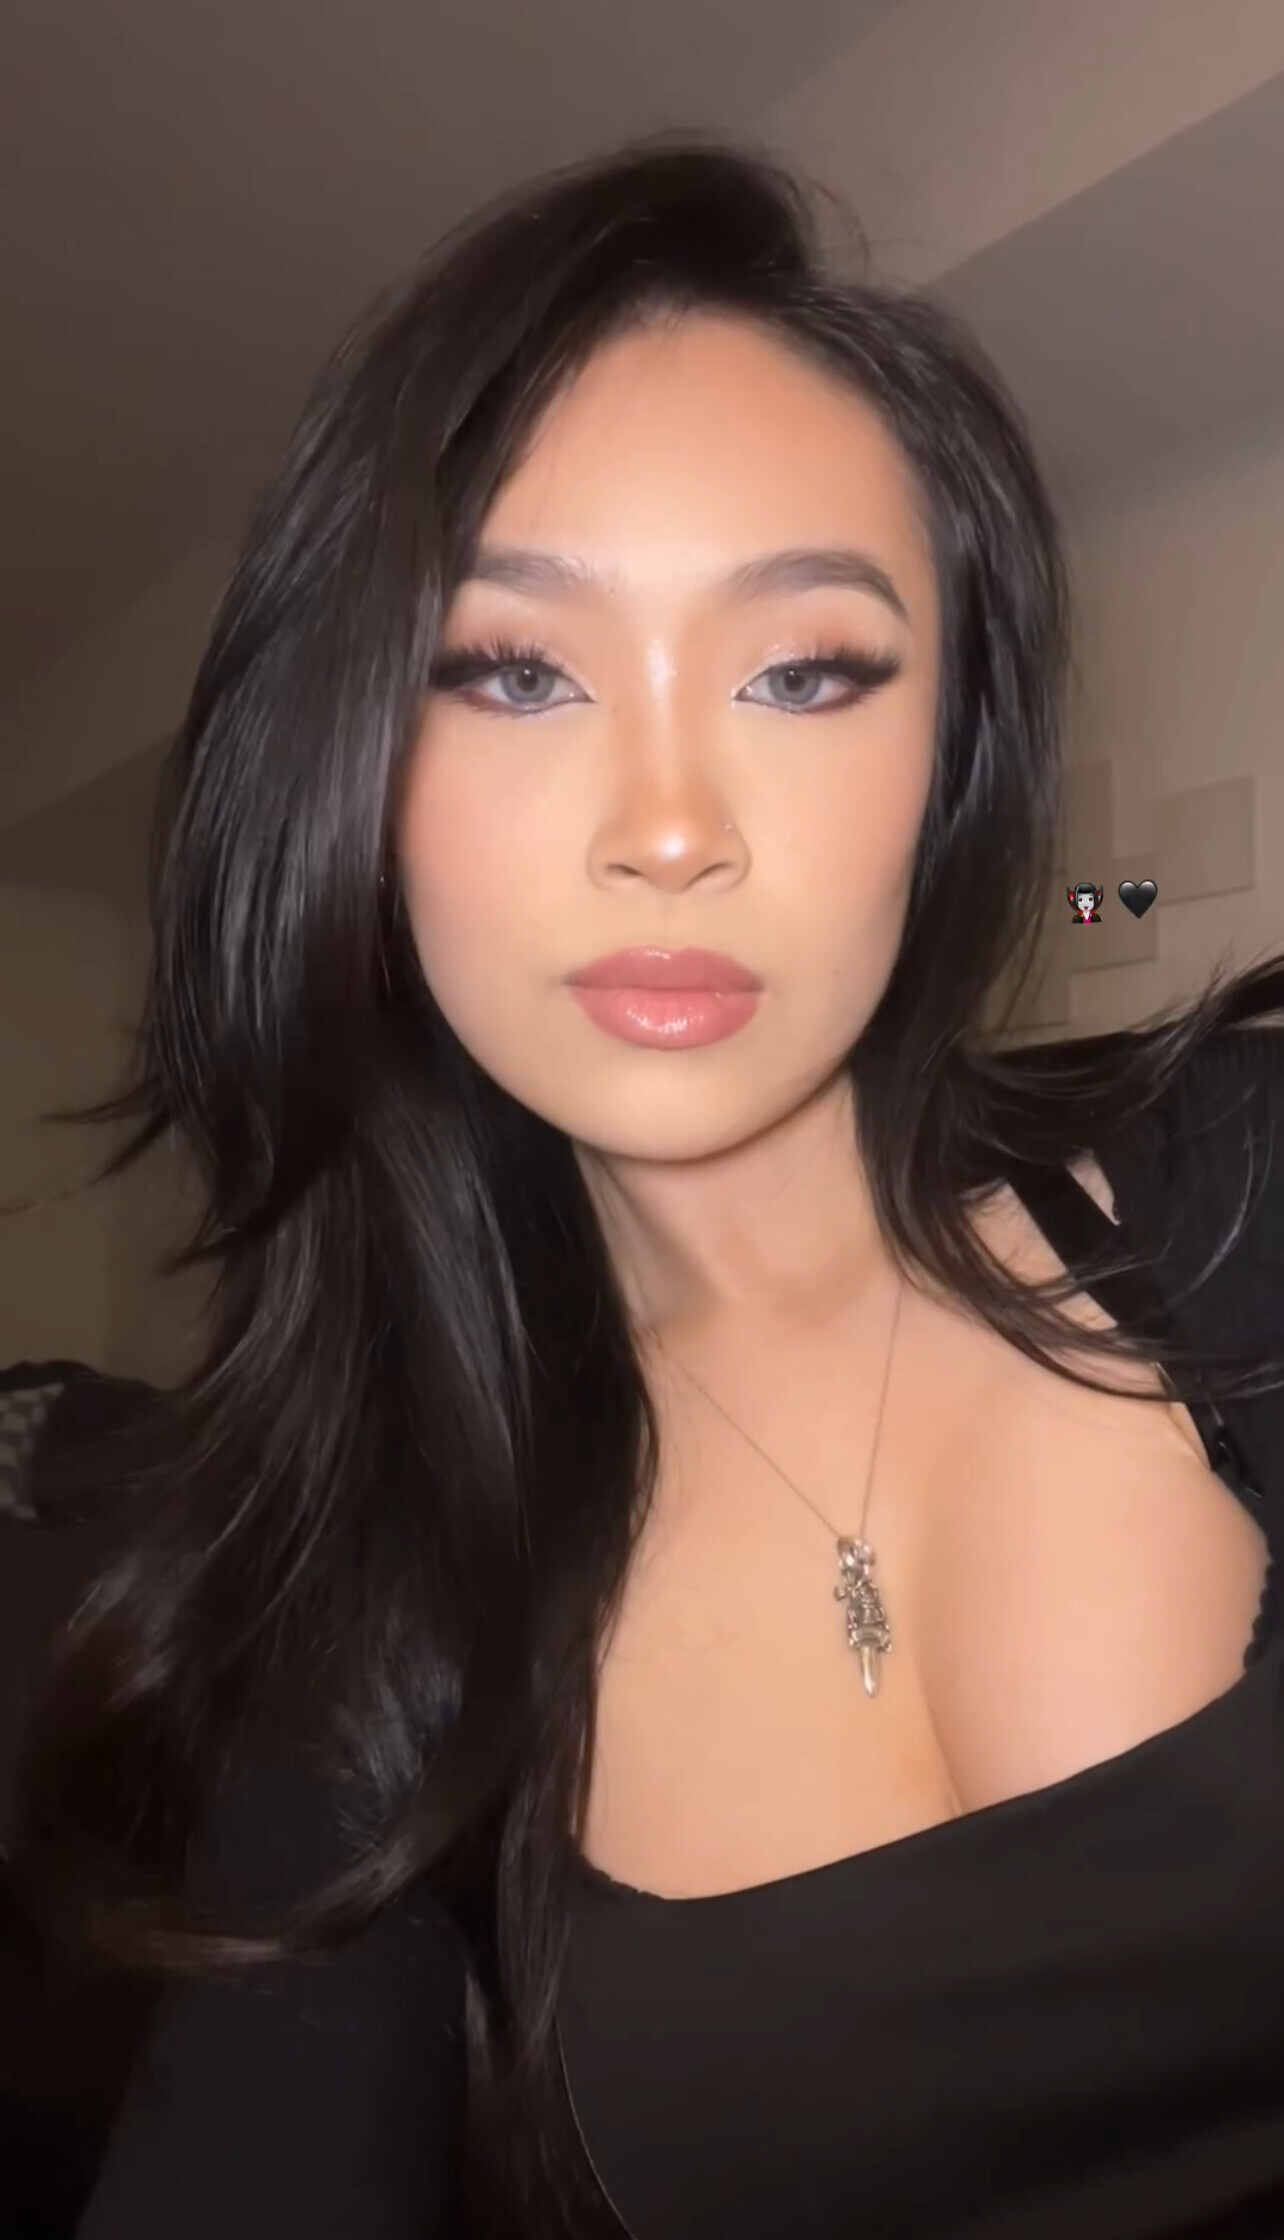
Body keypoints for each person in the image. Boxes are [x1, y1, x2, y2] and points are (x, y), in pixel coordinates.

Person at [7, 129, 1284, 2240]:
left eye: (805, 670)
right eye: (515, 670)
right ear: (358, 781)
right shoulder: (372, 1612)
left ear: (948, 764)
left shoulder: (1247, 1174)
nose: (670, 824)